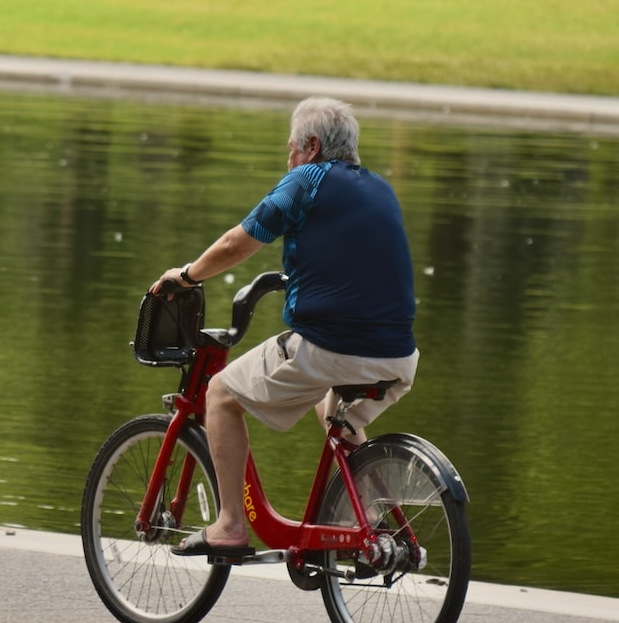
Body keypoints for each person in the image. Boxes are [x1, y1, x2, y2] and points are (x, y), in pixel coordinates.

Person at [150, 96, 419, 557]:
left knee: (219, 393)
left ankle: (231, 525)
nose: (288, 158)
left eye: (291, 148)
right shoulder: (380, 188)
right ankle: (369, 523)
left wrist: (188, 275)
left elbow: (238, 244)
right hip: (399, 356)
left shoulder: (307, 180)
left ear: (311, 147)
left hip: (332, 347)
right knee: (334, 413)